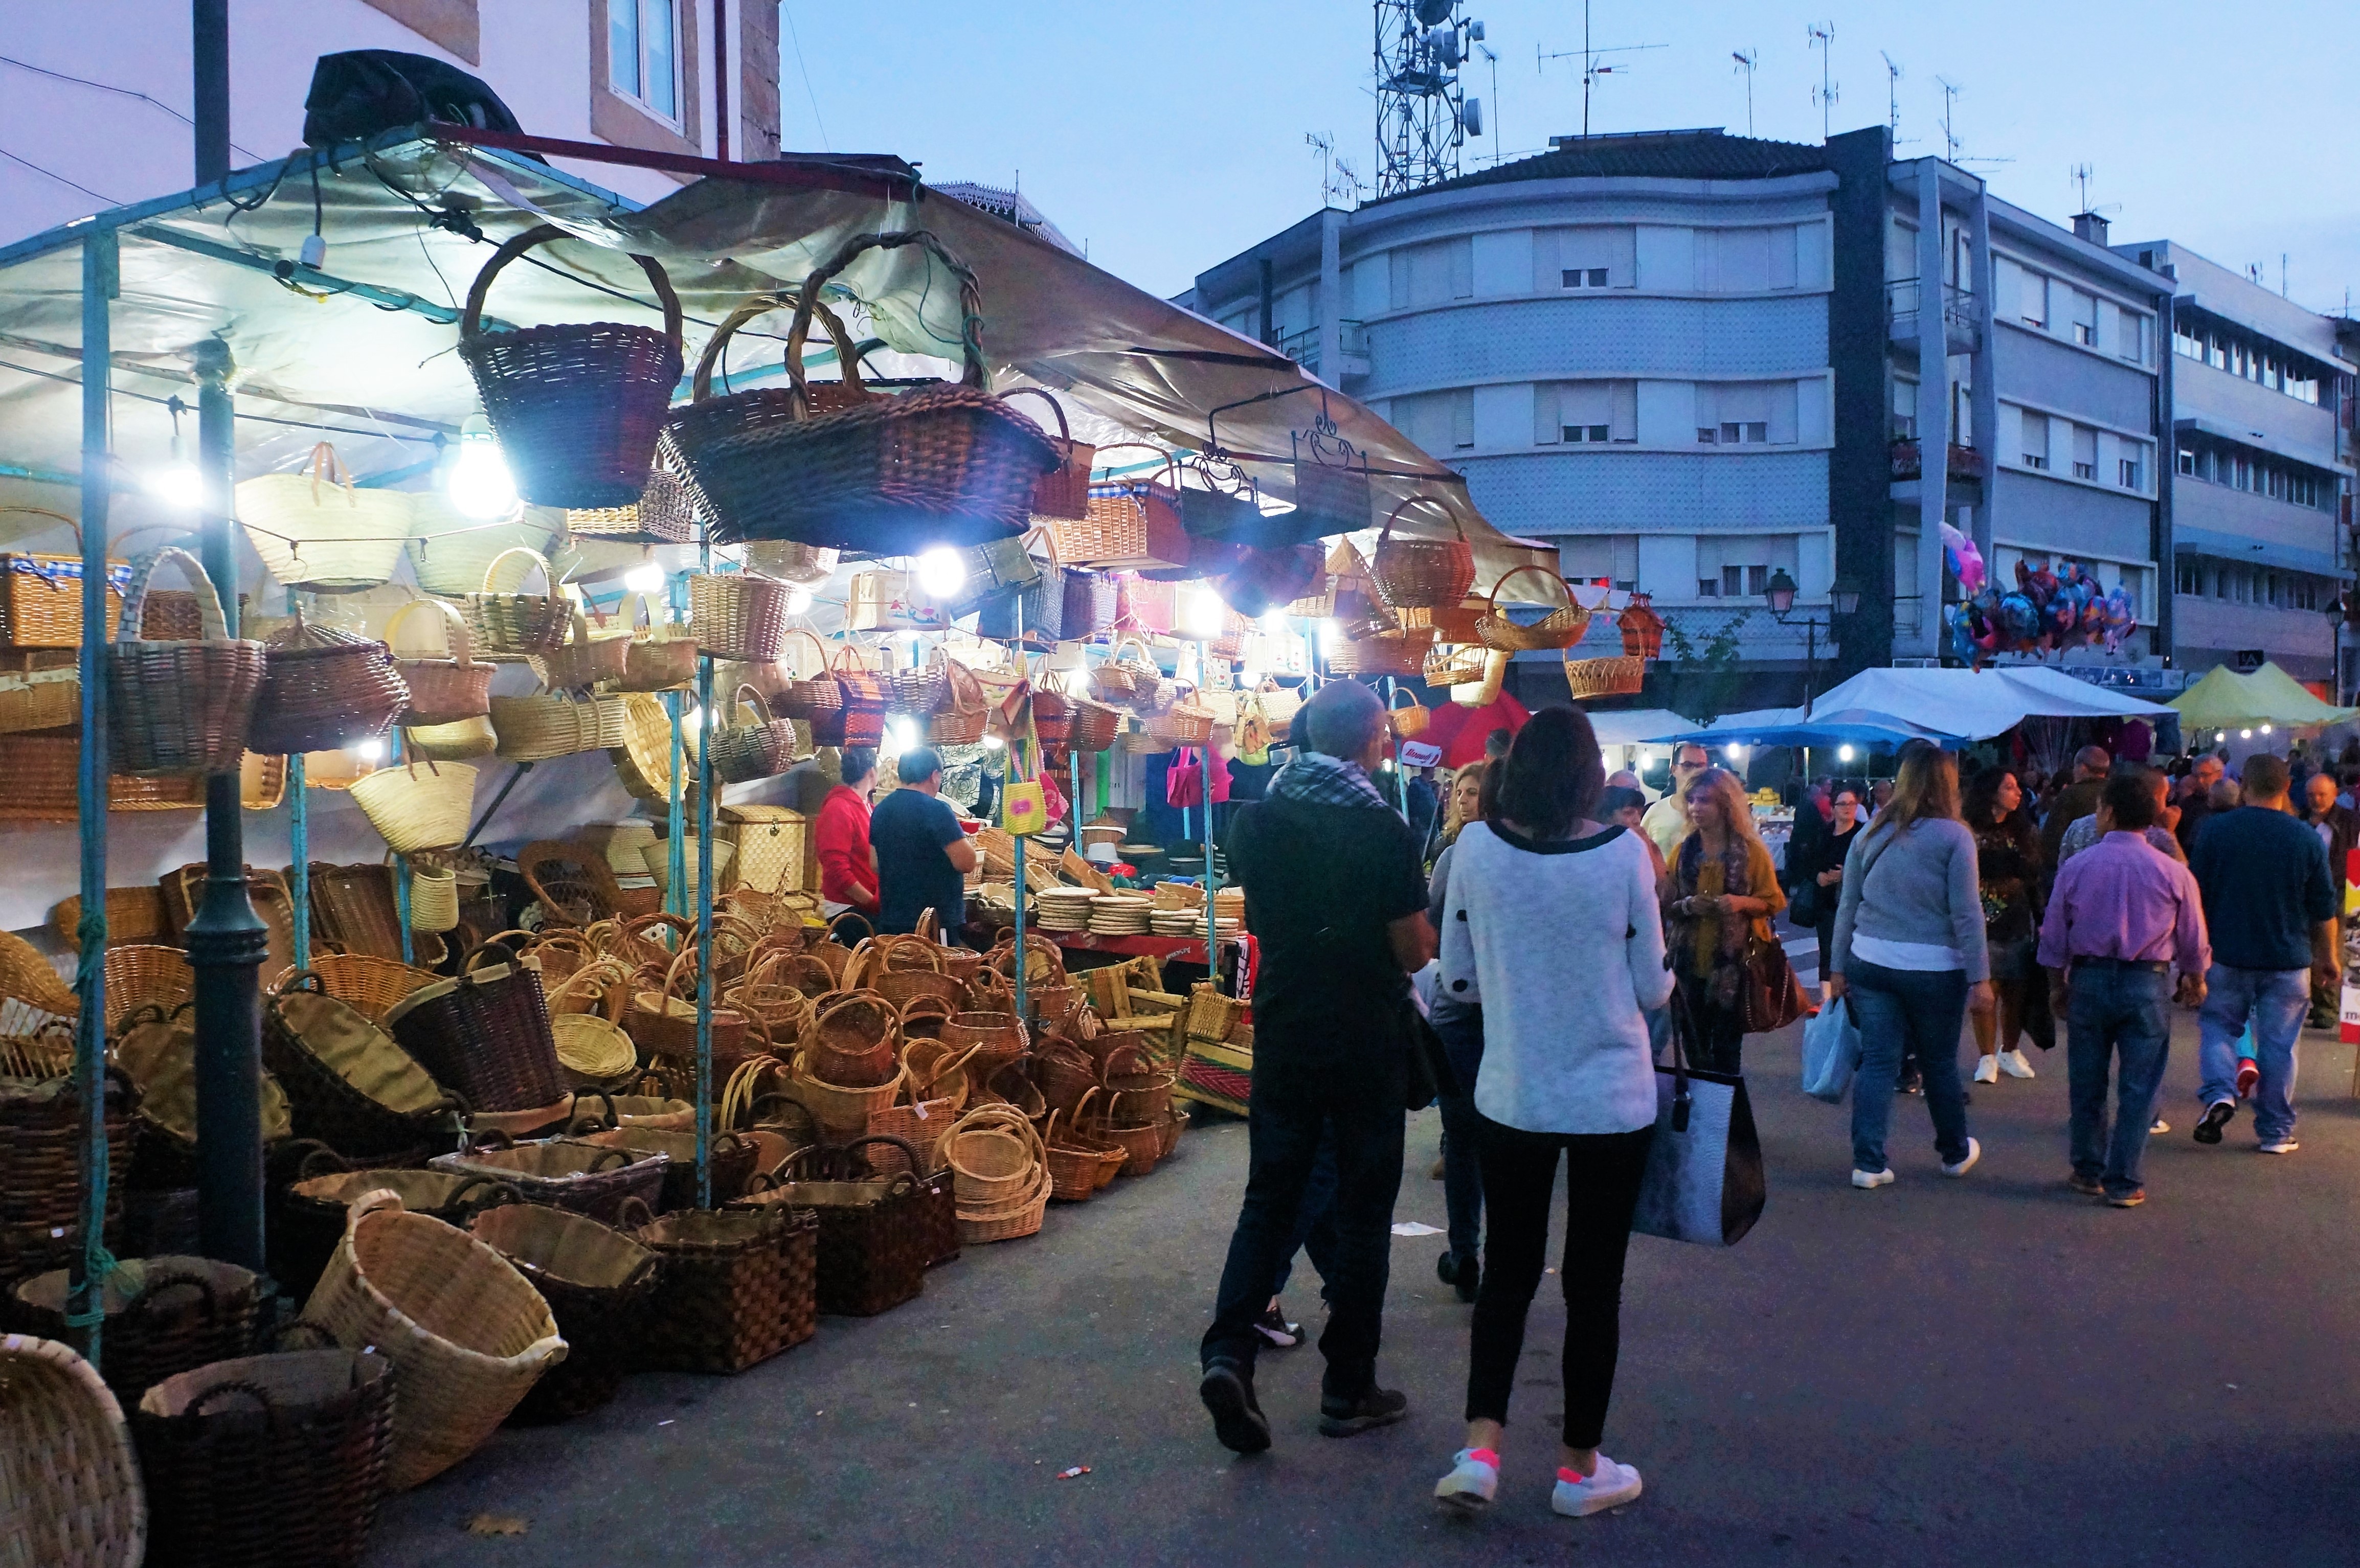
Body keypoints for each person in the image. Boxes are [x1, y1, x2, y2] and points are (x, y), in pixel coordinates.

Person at [1430, 707, 1671, 1520]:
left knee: (1506, 1272)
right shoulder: (1625, 854)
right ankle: (1578, 1467)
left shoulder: (1474, 847)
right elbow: (1649, 986)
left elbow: (1455, 979)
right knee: (1592, 1285)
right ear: (1589, 776)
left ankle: (1480, 1449)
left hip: (1513, 1089)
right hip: (1611, 1097)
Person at [1199, 680, 1436, 1453]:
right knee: (1365, 1208)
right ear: (1371, 740)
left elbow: (1261, 917)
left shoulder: (1255, 821)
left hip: (1287, 1027)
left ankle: (1228, 1349)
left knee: (1270, 1191)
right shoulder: (1384, 831)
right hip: (1365, 1036)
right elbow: (1410, 948)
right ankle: (1347, 1385)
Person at [2037, 774, 2212, 1208]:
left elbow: (2053, 937)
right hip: (2147, 982)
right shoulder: (2173, 871)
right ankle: (2124, 1180)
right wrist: (2195, 977)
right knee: (2140, 1087)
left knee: (2087, 1080)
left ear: (2109, 811)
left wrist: (2055, 986)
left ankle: (2087, 1169)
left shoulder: (2076, 867)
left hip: (2090, 979)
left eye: (2098, 808)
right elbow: (2193, 936)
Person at [1827, 742, 1991, 1190]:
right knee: (1938, 1062)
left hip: (1871, 960)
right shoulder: (1954, 837)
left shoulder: (1870, 833)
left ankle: (1868, 1161)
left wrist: (1836, 968)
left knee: (1878, 1061)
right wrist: (1980, 977)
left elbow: (1847, 904)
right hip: (1935, 967)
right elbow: (1966, 912)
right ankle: (1953, 1151)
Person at [2187, 754, 2339, 1154]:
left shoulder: (2216, 831)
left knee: (2219, 1027)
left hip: (2226, 952)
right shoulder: (2305, 837)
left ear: (2244, 785)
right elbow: (2323, 908)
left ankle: (2220, 1093)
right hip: (2287, 957)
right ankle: (2274, 1130)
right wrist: (2328, 956)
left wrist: (2189, 956)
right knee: (2279, 1045)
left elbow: (2194, 895)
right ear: (2286, 785)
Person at [1424, 757, 1495, 1301]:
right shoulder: (1527, 859)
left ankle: (1465, 1250)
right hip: (1505, 1012)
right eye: (1461, 792)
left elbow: (1431, 922)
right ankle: (1495, 1253)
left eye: (1475, 792)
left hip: (1457, 1009)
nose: (1465, 800)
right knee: (1501, 1138)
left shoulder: (1455, 858)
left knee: (1464, 1138)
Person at [1661, 767, 1785, 1075]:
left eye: (1705, 801)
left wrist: (1740, 903)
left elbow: (1774, 901)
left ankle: (1725, 1118)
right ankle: (1703, 1114)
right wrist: (1688, 906)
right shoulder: (1683, 851)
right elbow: (1666, 904)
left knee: (1727, 1054)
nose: (1695, 808)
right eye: (1691, 801)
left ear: (1725, 806)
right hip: (1688, 966)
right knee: (1694, 1048)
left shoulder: (1751, 851)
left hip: (1735, 968)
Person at [1962, 768, 2043, 1084]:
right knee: (1987, 987)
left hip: (2017, 916)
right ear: (1990, 792)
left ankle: (2010, 1050)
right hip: (1979, 917)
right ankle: (1986, 1055)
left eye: (2017, 786)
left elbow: (2035, 877)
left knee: (2017, 988)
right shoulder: (1968, 830)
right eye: (2008, 787)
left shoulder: (2024, 832)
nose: (2017, 792)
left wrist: (2042, 916)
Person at [866, 746, 979, 937]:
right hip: (932, 923)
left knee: (899, 966)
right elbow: (967, 863)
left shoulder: (881, 809)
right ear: (935, 776)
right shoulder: (937, 810)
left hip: (892, 919)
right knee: (935, 967)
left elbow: (875, 864)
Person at [1791, 786, 1863, 1002]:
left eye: (1852, 804)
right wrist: (1819, 876)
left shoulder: (1862, 834)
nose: (1848, 808)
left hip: (1854, 903)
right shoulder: (1823, 834)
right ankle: (1827, 1000)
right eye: (1843, 804)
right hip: (1826, 902)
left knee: (1853, 951)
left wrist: (1847, 875)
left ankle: (1850, 997)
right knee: (1827, 950)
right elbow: (1808, 863)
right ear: (1833, 808)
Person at [2302, 771, 2358, 1028]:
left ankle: (2327, 1007)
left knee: (2331, 951)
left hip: (2338, 893)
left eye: (2322, 794)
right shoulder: (2301, 821)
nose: (2316, 800)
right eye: (2311, 795)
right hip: (2305, 894)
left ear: (2335, 794)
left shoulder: (2350, 823)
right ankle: (2318, 1001)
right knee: (2309, 951)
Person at [2058, 763, 2184, 866]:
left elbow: (2062, 871)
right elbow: (2181, 875)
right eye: (2163, 796)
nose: (2165, 806)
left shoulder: (2078, 827)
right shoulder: (2158, 836)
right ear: (2150, 798)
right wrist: (2170, 833)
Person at [813, 747, 879, 918]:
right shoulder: (839, 808)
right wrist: (872, 903)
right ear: (872, 773)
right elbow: (836, 868)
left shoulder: (870, 809)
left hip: (868, 904)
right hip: (847, 908)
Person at [2039, 745, 2113, 877]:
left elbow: (2052, 839)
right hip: (2113, 870)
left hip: (2077, 872)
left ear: (2082, 768)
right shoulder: (2118, 793)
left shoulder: (2070, 795)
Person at [1640, 743, 1708, 861]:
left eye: (1700, 766)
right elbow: (1640, 853)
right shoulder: (1656, 812)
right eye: (1687, 765)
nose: (1694, 772)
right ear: (1674, 770)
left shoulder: (1714, 812)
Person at [2175, 753, 2226, 857]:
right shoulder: (2187, 804)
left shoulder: (2232, 803)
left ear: (2220, 774)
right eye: (2196, 776)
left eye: (2205, 775)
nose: (2200, 781)